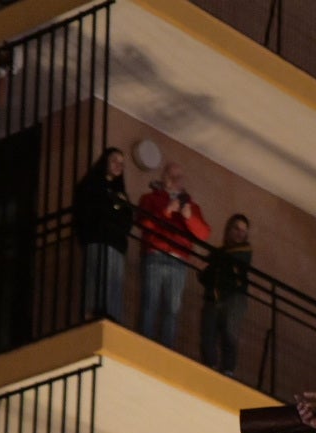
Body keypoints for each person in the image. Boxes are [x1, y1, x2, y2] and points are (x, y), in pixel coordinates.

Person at [137, 160, 210, 349]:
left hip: (178, 261)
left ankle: (166, 347)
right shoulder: (150, 199)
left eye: (179, 177)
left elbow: (203, 233)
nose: (177, 180)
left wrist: (188, 217)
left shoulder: (191, 205)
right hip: (155, 254)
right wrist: (167, 210)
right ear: (164, 178)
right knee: (150, 302)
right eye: (172, 176)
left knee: (172, 309)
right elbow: (145, 224)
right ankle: (145, 343)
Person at [73, 148, 135, 323]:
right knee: (97, 279)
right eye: (115, 160)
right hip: (97, 239)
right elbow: (87, 211)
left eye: (122, 163)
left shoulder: (120, 193)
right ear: (105, 161)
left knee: (114, 284)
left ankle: (112, 319)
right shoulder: (91, 184)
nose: (118, 165)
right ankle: (92, 316)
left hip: (116, 243)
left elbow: (128, 219)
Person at [199, 214, 253, 375]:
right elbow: (203, 275)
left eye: (244, 230)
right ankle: (210, 367)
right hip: (213, 298)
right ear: (229, 230)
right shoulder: (219, 252)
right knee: (208, 334)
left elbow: (226, 263)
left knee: (230, 335)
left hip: (234, 298)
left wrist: (211, 265)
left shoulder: (245, 250)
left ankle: (228, 371)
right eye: (237, 228)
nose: (240, 233)